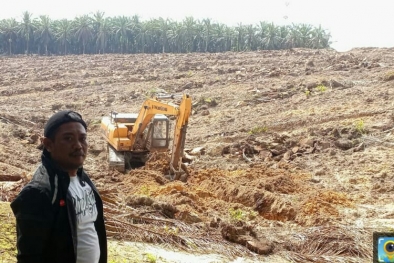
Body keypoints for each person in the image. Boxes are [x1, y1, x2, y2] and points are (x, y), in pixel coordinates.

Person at [10, 110, 107, 263]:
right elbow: (29, 256)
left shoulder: (83, 178)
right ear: (48, 145)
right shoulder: (39, 193)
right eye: (68, 138)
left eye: (82, 138)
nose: (78, 146)